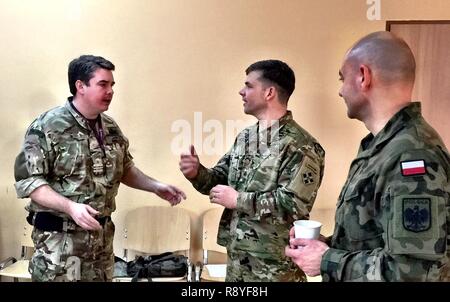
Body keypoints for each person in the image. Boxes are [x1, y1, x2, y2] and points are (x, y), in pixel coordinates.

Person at [285, 31, 450, 281]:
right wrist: (326, 247)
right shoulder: (382, 147)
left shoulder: (412, 155)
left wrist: (328, 260)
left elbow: (414, 271)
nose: (340, 91)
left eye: (342, 78)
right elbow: (377, 238)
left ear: (363, 76)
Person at [14, 55, 186, 282]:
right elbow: (31, 182)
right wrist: (70, 207)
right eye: (103, 84)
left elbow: (124, 168)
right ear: (80, 86)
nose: (110, 91)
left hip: (101, 246)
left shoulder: (111, 127)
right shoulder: (46, 126)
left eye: (112, 85)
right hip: (59, 246)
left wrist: (155, 186)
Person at [179, 59, 325, 282]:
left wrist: (240, 200)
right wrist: (197, 173)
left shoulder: (301, 146)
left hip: (275, 267)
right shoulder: (246, 137)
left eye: (248, 86)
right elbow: (220, 180)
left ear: (269, 93)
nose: (241, 91)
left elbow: (293, 204)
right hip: (238, 262)